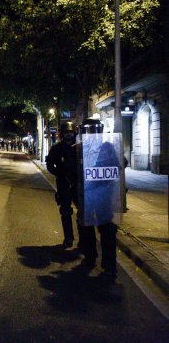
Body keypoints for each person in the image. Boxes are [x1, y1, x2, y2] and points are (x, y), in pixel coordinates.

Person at [76, 118, 122, 278]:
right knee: (86, 229)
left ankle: (109, 265)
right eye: (89, 130)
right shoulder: (79, 148)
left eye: (95, 130)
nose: (92, 134)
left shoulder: (107, 148)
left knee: (107, 230)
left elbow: (117, 165)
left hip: (103, 196)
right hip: (85, 196)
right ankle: (90, 258)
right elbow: (70, 169)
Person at [46, 121, 78, 248]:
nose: (69, 135)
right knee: (65, 211)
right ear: (62, 134)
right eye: (66, 133)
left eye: (71, 132)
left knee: (82, 212)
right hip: (63, 183)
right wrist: (59, 173)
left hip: (77, 183)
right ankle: (68, 238)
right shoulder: (57, 148)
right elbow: (50, 165)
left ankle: (84, 240)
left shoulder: (79, 147)